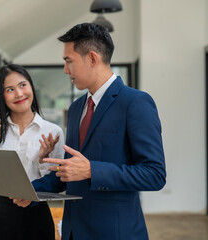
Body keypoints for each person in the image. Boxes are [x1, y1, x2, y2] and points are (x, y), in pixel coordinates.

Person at [13, 23, 166, 240]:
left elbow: (155, 174)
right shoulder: (76, 109)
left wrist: (92, 170)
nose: (66, 70)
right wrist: (30, 190)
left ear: (92, 58)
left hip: (115, 233)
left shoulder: (136, 103)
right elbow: (68, 172)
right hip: (74, 231)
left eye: (69, 62)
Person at [0, 64, 65, 240]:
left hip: (36, 217)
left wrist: (43, 160)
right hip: (0, 216)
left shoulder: (53, 132)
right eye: (10, 89)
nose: (19, 94)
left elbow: (56, 185)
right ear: (2, 96)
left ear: (31, 86)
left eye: (23, 85)